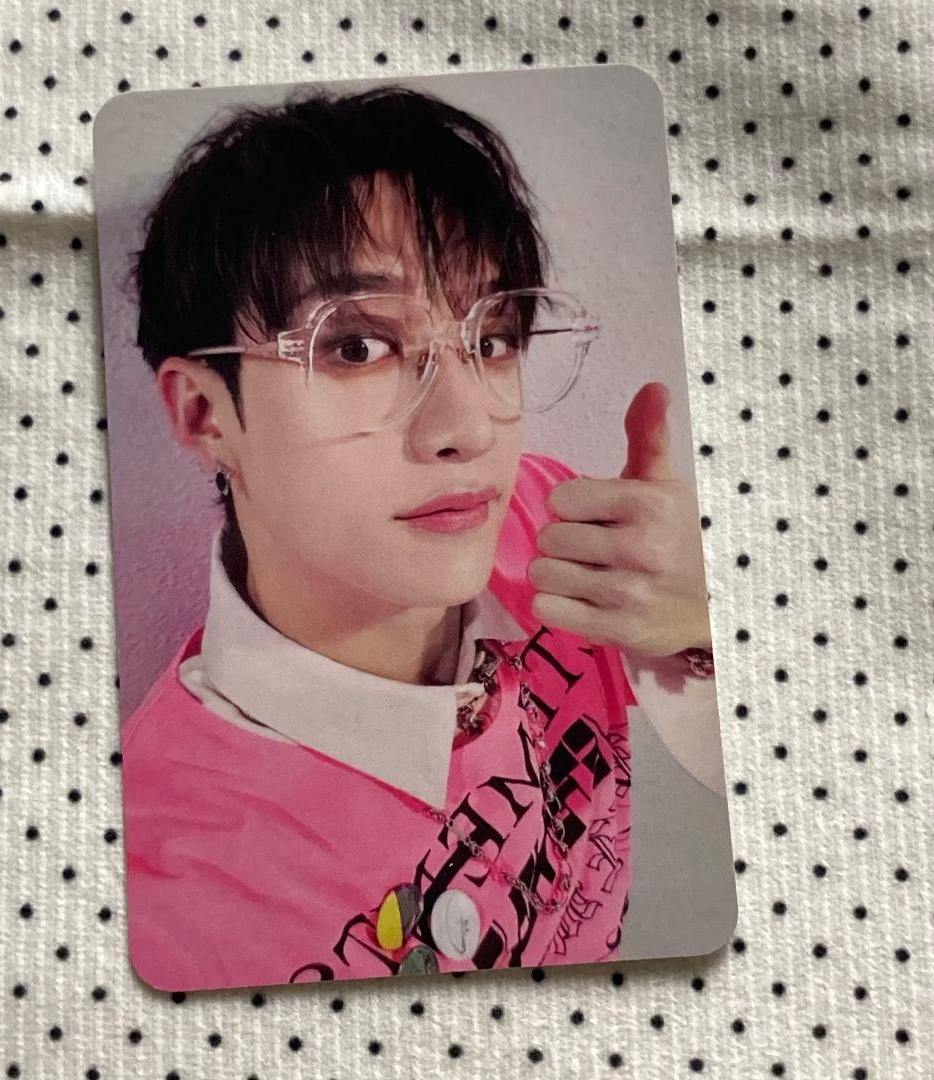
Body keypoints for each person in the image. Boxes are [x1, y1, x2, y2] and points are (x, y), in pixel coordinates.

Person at [119, 84, 716, 992]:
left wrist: (713, 617)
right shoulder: (177, 903)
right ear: (205, 414)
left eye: (494, 338)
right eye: (357, 346)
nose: (467, 428)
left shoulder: (558, 530)